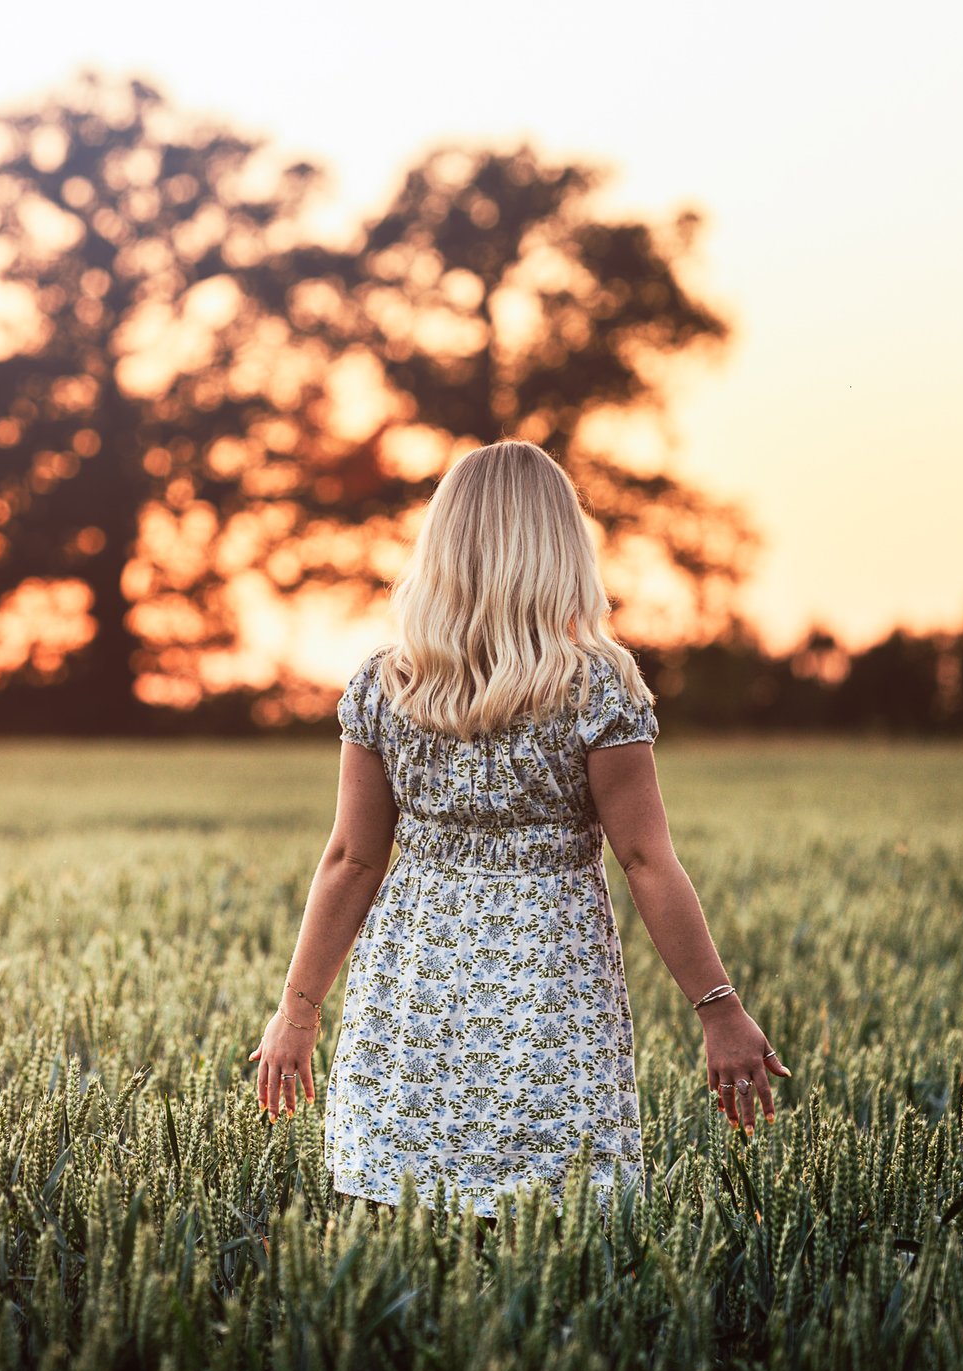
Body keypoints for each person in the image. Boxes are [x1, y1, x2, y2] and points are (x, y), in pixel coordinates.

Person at [247, 439, 788, 1219]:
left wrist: (298, 1011)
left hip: (413, 983)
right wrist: (719, 1009)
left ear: (442, 548)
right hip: (548, 988)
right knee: (553, 1215)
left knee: (406, 1213)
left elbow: (351, 859)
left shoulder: (384, 682)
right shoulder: (597, 685)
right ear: (560, 548)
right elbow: (644, 857)